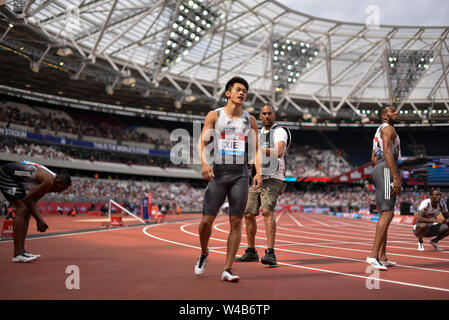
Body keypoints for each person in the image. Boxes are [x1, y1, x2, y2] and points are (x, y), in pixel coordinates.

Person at [194, 76, 262, 282]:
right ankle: (204, 252)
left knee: (236, 221)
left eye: (245, 91)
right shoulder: (215, 115)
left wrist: (258, 172)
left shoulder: (249, 120)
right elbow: (202, 142)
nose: (242, 93)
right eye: (239, 90)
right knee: (206, 221)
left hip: (240, 174)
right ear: (228, 93)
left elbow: (257, 148)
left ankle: (227, 268)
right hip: (219, 172)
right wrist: (204, 164)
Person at [235, 104, 290, 265]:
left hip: (273, 176)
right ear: (260, 116)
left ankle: (270, 252)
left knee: (266, 211)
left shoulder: (280, 131)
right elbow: (253, 160)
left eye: (269, 113)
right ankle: (251, 251)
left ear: (274, 115)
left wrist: (258, 149)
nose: (267, 116)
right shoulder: (257, 134)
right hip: (257, 177)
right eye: (264, 114)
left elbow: (279, 152)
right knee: (249, 214)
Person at [0, 160, 71, 262]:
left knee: (27, 211)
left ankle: (22, 251)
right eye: (62, 189)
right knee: (22, 209)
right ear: (59, 182)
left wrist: (39, 219)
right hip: (6, 174)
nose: (59, 192)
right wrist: (39, 220)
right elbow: (28, 199)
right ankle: (17, 254)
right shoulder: (49, 180)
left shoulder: (50, 182)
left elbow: (33, 201)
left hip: (15, 178)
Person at [367, 105, 401, 270]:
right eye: (392, 111)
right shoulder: (388, 129)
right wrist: (394, 176)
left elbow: (373, 157)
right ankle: (373, 256)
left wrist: (380, 169)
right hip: (386, 169)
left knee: (384, 213)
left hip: (380, 168)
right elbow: (387, 152)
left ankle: (382, 256)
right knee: (388, 212)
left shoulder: (379, 130)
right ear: (384, 115)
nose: (396, 113)